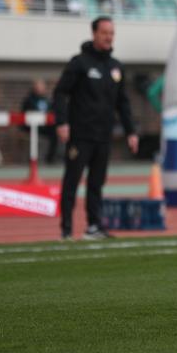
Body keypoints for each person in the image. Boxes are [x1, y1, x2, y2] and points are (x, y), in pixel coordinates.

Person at [53, 17, 138, 240]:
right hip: (80, 135)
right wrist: (62, 122)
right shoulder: (79, 63)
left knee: (97, 183)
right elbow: (60, 93)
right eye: (104, 33)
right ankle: (67, 229)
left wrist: (131, 131)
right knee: (71, 181)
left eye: (112, 33)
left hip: (103, 136)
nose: (108, 37)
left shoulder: (116, 67)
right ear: (94, 34)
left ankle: (94, 226)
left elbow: (123, 102)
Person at [21, 78, 58, 163]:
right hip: (31, 126)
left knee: (54, 133)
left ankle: (50, 159)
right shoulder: (29, 100)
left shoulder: (47, 100)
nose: (40, 88)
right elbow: (24, 114)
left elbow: (51, 111)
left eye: (42, 86)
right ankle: (33, 161)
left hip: (45, 126)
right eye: (38, 86)